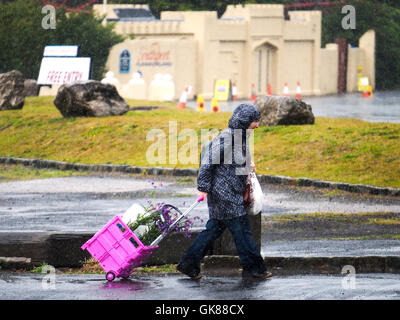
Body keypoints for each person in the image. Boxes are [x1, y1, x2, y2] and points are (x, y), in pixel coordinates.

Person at [177, 103, 272, 280]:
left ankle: (189, 264)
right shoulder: (229, 138)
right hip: (225, 195)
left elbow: (233, 161)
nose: (257, 125)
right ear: (245, 121)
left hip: (229, 192)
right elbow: (208, 162)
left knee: (213, 231)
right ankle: (254, 269)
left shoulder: (240, 136)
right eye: (255, 121)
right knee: (243, 232)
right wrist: (203, 188)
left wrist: (247, 165)